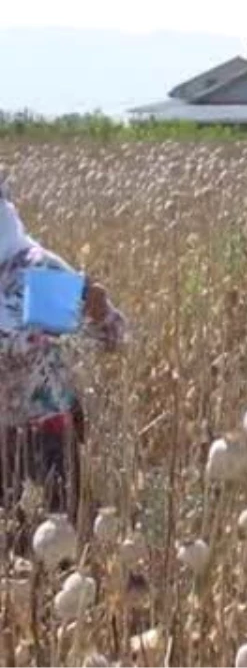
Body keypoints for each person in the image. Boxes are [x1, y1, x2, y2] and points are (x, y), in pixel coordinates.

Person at [0, 194, 126, 541]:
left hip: (46, 441)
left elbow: (112, 337)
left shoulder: (35, 268)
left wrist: (97, 311)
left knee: (54, 552)